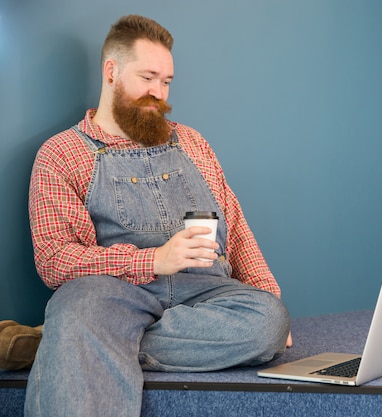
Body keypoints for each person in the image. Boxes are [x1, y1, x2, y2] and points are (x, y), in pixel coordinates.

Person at [16, 14, 291, 417]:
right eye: (148, 77)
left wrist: (272, 301)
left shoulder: (193, 142)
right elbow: (55, 259)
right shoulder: (62, 154)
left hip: (206, 293)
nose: (158, 93)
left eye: (166, 82)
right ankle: (81, 333)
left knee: (268, 321)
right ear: (111, 71)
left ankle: (71, 342)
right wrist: (152, 260)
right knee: (82, 309)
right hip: (117, 294)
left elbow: (237, 226)